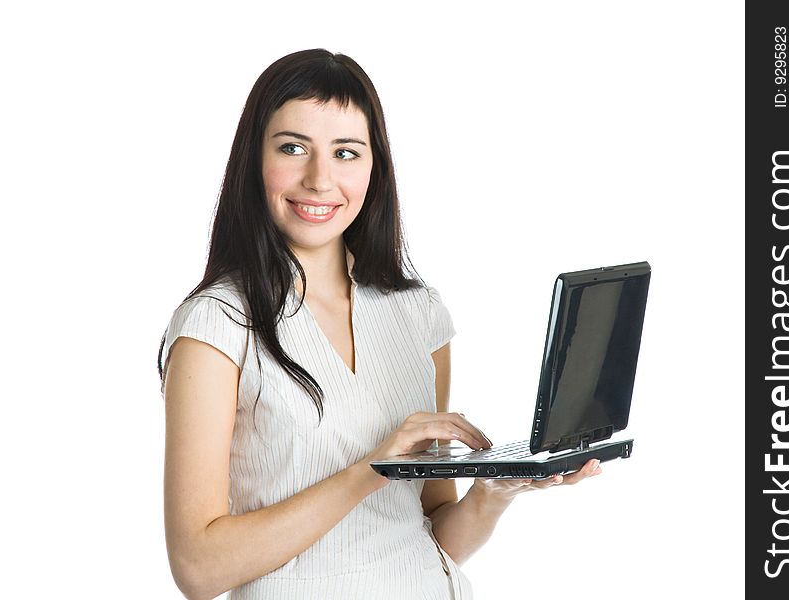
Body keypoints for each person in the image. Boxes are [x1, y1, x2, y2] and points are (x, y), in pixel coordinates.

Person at [157, 48, 601, 600]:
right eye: (293, 148)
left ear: (374, 167)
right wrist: (373, 469)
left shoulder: (418, 314)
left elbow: (431, 537)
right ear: (254, 159)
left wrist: (495, 489)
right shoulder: (216, 327)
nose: (320, 179)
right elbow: (199, 569)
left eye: (346, 152)